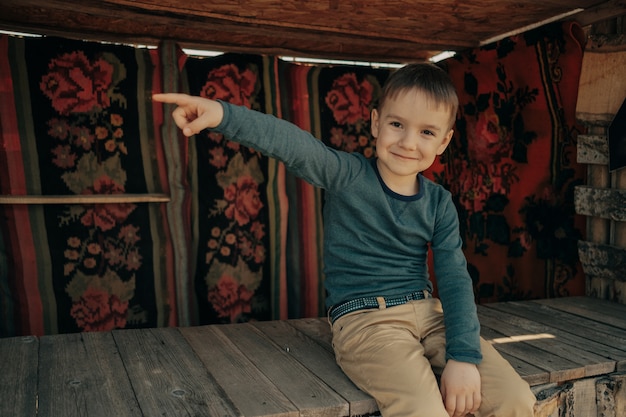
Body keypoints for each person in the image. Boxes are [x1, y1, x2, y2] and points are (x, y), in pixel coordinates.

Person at [153, 63, 536, 417]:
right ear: (375, 123)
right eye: (397, 124)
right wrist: (223, 115)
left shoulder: (438, 203)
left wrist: (464, 358)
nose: (407, 142)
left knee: (517, 399)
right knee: (424, 409)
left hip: (430, 315)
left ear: (444, 142)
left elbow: (454, 280)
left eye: (426, 132)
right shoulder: (346, 175)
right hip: (367, 321)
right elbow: (292, 144)